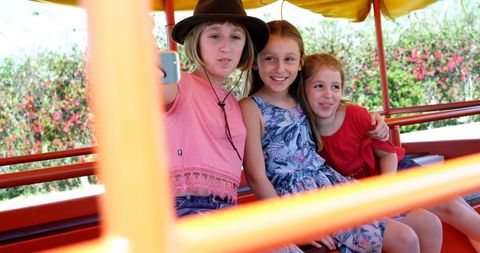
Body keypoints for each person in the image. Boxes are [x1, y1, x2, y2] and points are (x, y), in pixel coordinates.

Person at [240, 20, 442, 253]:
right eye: (269, 58)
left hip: (330, 184)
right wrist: (293, 225)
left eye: (289, 59)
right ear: (255, 62)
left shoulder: (300, 99)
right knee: (405, 239)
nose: (279, 68)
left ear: (300, 63)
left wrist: (375, 119)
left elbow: (335, 106)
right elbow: (256, 176)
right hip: (298, 202)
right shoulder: (251, 107)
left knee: (428, 223)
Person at [299, 52, 480, 252]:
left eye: (335, 87)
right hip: (366, 195)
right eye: (318, 86)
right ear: (302, 89)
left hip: (393, 175)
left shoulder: (356, 115)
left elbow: (388, 154)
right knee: (452, 207)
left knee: (455, 206)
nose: (328, 94)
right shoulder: (301, 130)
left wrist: (385, 192)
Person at [161, 0, 269, 217]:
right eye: (214, 36)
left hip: (227, 211)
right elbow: (156, 90)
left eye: (235, 37)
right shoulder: (182, 86)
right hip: (186, 211)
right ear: (196, 42)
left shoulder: (234, 104)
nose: (226, 47)